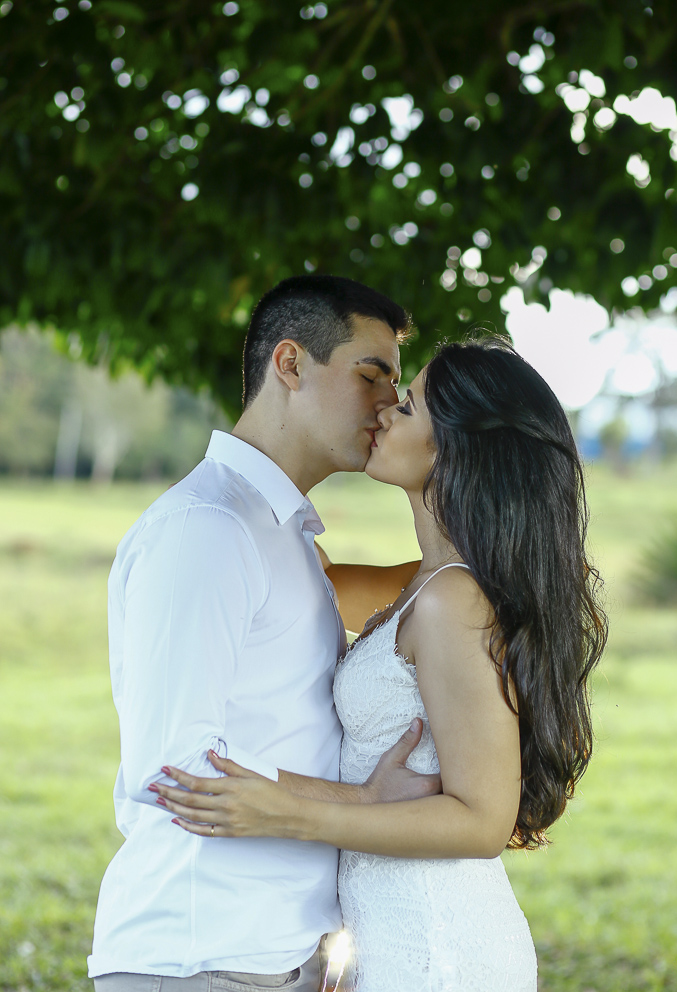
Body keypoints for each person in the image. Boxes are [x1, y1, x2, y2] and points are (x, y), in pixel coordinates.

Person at [153, 335, 608, 992]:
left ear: (451, 447)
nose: (386, 407)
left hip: (438, 950)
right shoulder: (426, 583)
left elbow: (481, 821)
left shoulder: (453, 601)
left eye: (410, 405)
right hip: (393, 942)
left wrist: (287, 812)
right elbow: (300, 575)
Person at [89, 275, 442, 992]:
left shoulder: (279, 532)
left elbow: (439, 585)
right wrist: (367, 804)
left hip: (273, 956)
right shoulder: (209, 529)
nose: (387, 405)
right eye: (370, 375)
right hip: (201, 956)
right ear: (290, 364)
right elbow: (180, 771)